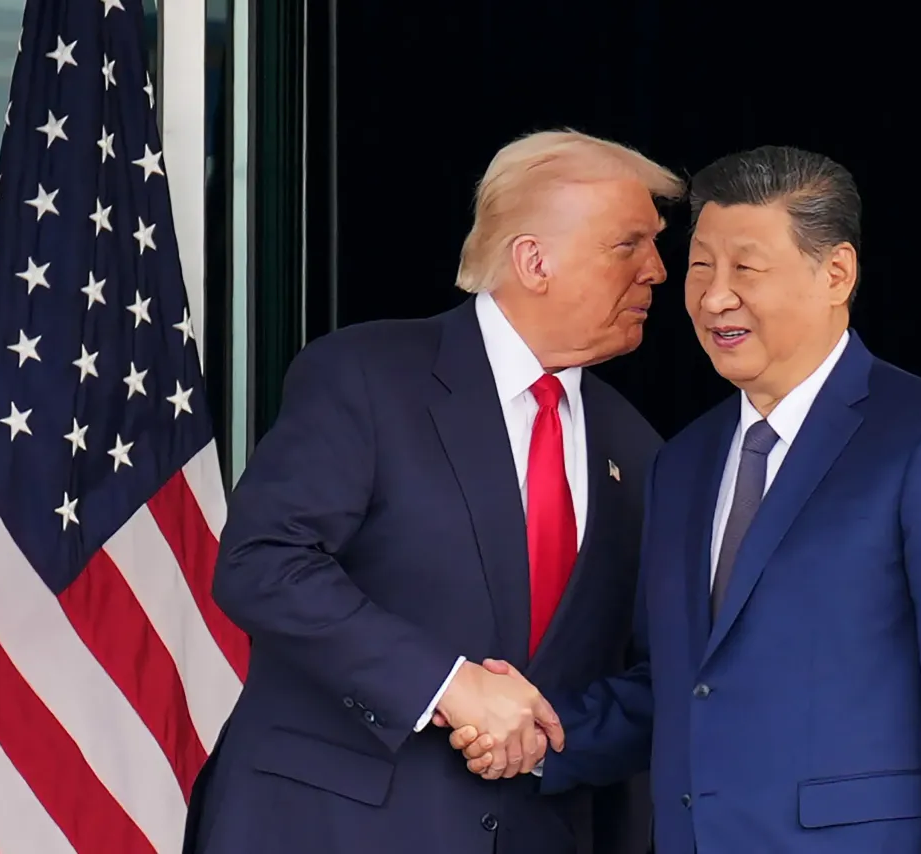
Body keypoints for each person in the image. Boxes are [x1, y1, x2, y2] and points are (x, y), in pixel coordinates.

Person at [452, 146, 921, 854]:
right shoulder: (681, 462)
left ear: (837, 274)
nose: (714, 297)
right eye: (701, 266)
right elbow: (677, 687)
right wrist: (537, 740)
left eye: (746, 269)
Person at [182, 130, 682, 854]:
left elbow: (654, 671)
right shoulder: (367, 374)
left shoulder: (639, 449)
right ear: (534, 260)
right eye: (629, 244)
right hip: (327, 827)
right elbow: (262, 562)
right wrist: (447, 685)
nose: (658, 270)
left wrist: (541, 746)